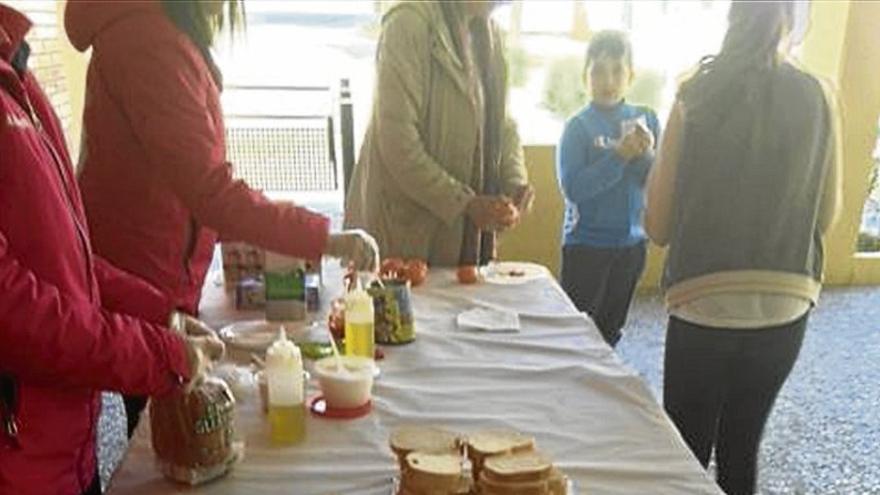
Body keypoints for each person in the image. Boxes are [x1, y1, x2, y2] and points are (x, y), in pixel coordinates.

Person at [64, 0, 379, 437]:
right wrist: (323, 238)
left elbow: (198, 188)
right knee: (165, 438)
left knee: (173, 428)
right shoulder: (148, 40)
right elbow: (209, 190)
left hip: (154, 272)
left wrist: (295, 233)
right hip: (139, 280)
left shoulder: (162, 31)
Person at [0, 4, 223, 494]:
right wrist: (160, 354)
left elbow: (64, 260)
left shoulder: (14, 69)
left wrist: (158, 314)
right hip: (20, 460)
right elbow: (14, 310)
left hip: (59, 447)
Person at [644, 2, 841, 493]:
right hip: (787, 302)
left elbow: (659, 224)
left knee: (684, 454)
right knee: (742, 447)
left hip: (704, 300)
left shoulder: (696, 95)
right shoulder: (820, 97)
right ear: (790, 21)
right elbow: (827, 217)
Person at [345, 0, 534, 267]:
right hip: (400, 236)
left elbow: (503, 123)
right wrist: (464, 203)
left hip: (460, 244)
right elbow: (398, 142)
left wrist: (514, 182)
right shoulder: (408, 25)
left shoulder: (490, 34)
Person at [556, 30, 659, 347]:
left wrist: (646, 155)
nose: (607, 80)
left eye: (617, 70)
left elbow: (654, 182)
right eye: (598, 70)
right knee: (578, 333)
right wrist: (618, 157)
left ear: (631, 75)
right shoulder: (578, 127)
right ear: (585, 76)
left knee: (611, 330)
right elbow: (574, 189)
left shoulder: (647, 119)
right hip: (586, 246)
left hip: (631, 245)